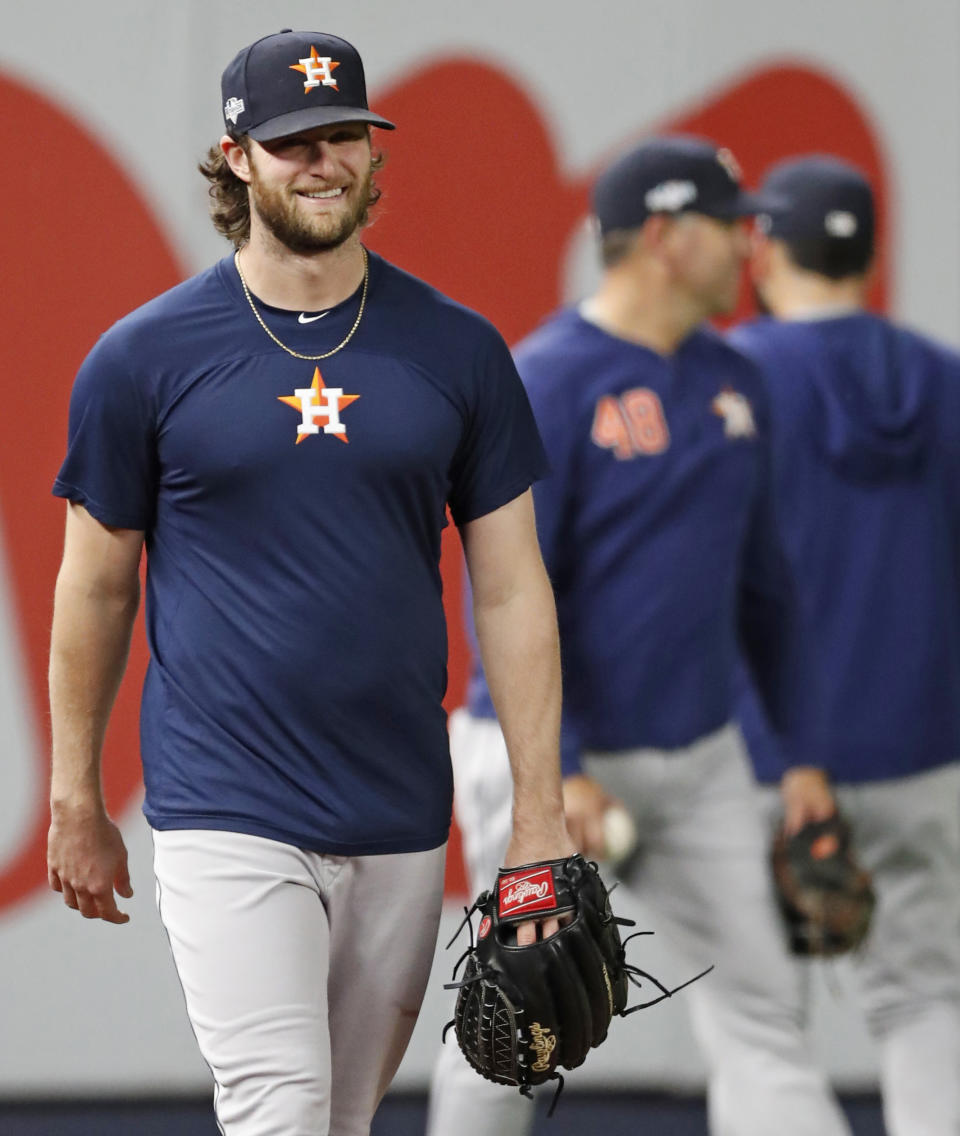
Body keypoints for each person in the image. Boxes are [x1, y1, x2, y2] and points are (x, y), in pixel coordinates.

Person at [45, 29, 572, 1136]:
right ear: (236, 157)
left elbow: (514, 588)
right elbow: (94, 588)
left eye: (344, 137)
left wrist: (537, 817)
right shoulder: (145, 357)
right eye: (292, 142)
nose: (322, 160)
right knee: (280, 1110)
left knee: (338, 1118)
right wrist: (76, 794)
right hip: (228, 800)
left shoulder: (459, 350)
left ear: (375, 159)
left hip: (398, 804)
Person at [427, 137, 852, 1136]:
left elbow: (768, 593)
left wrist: (797, 757)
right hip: (542, 758)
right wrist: (555, 773)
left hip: (698, 758)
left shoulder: (737, 379)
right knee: (515, 1013)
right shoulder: (548, 378)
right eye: (727, 223)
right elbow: (507, 589)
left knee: (765, 1010)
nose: (749, 243)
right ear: (662, 236)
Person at [732, 154, 960, 1136]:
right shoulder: (943, 379)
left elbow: (709, 583)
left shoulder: (730, 378)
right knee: (924, 1000)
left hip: (770, 753)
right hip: (922, 744)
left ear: (763, 245)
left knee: (760, 1026)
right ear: (869, 250)